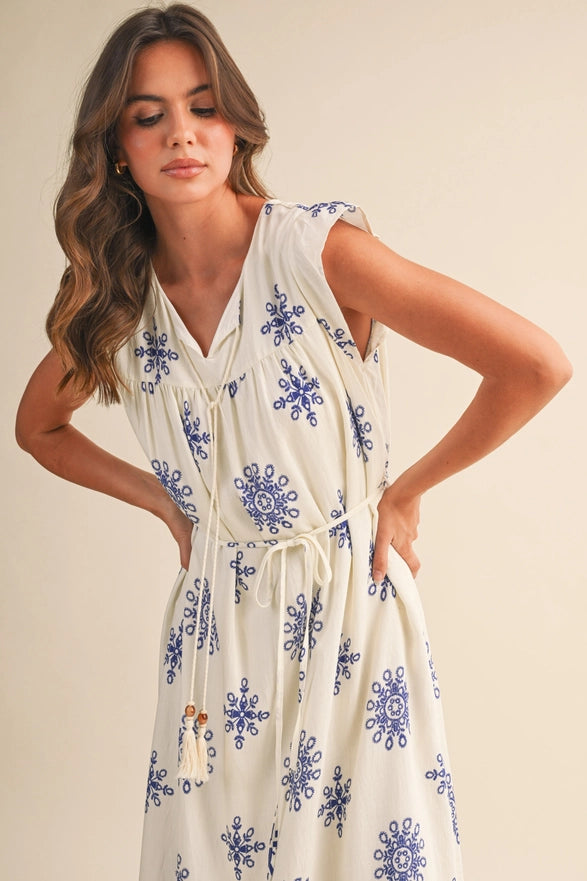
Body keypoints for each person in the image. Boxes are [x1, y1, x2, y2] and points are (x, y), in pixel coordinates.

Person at [15, 4, 571, 880]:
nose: (182, 135)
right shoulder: (119, 299)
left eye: (202, 107)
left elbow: (533, 364)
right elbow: (38, 428)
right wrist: (165, 500)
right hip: (214, 637)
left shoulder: (319, 252)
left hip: (347, 611)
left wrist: (405, 490)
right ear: (115, 148)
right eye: (148, 115)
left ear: (235, 123)